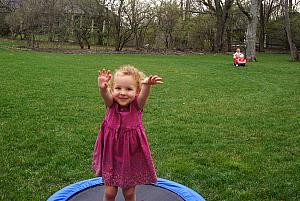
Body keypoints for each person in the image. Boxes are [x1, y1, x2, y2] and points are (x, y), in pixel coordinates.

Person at [92, 65, 163, 201]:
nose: (123, 93)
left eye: (129, 89)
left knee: (129, 193)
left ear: (137, 91)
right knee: (110, 193)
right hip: (110, 154)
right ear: (112, 89)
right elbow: (106, 95)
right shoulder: (111, 104)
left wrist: (147, 86)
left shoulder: (137, 106)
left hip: (131, 154)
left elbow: (144, 96)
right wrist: (102, 87)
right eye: (118, 88)